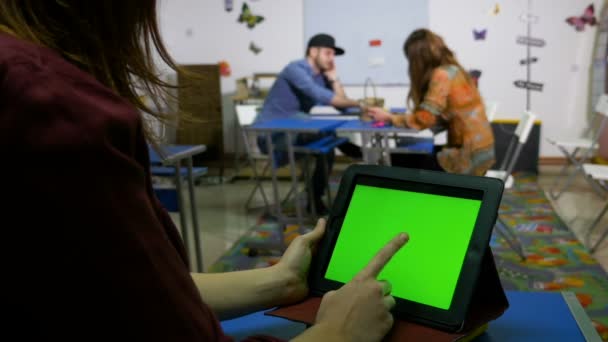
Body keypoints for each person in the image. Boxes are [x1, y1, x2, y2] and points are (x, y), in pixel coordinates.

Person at [0, 2, 408, 341]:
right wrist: (337, 334)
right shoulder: (42, 100)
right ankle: (319, 199)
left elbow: (112, 296)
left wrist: (281, 281)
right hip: (277, 139)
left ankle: (312, 217)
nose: (333, 59)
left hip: (298, 138)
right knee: (327, 150)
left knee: (328, 149)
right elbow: (332, 101)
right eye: (330, 53)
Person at [257, 33, 362, 214]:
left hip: (296, 131)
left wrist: (334, 78)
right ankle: (316, 195)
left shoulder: (322, 76)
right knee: (325, 137)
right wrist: (361, 104)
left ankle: (314, 197)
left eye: (333, 55)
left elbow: (342, 105)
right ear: (313, 51)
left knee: (326, 145)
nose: (332, 59)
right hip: (272, 135)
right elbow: (321, 96)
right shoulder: (295, 69)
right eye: (328, 53)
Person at [368, 29, 495, 176]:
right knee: (404, 155)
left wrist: (389, 117)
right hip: (482, 152)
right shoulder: (455, 71)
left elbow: (424, 119)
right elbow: (438, 116)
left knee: (392, 158)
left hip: (466, 158)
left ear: (417, 59)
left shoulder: (441, 75)